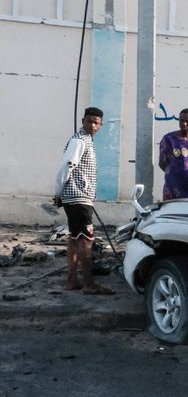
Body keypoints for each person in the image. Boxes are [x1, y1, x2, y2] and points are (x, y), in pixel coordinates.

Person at [53, 107, 113, 295]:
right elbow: (67, 165)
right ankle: (89, 284)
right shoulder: (79, 141)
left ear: (101, 125)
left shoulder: (86, 140)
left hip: (76, 197)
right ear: (83, 121)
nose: (93, 125)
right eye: (89, 121)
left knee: (74, 238)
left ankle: (72, 280)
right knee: (86, 241)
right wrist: (58, 192)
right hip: (78, 197)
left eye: (96, 122)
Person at [159, 108, 188, 200]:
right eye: (181, 120)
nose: (184, 123)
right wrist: (176, 173)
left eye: (187, 121)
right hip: (173, 188)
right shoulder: (169, 139)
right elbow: (162, 163)